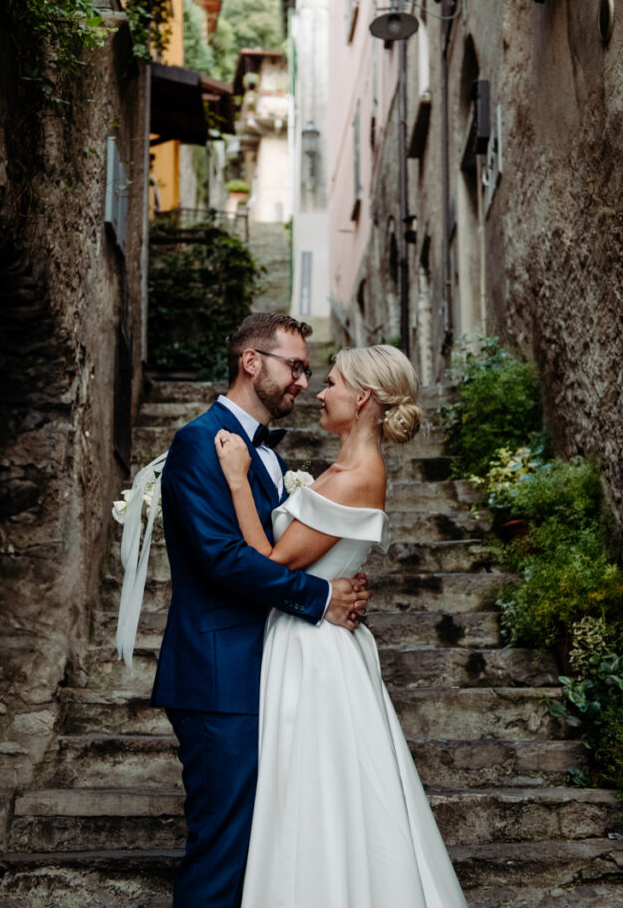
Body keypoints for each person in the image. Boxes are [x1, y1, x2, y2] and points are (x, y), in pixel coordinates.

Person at [214, 344, 469, 908]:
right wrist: (330, 587)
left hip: (315, 656)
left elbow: (267, 565)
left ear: (365, 398)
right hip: (309, 634)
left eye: (331, 383)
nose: (319, 392)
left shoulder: (357, 476)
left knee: (317, 794)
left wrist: (237, 480)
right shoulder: (343, 468)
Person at [149, 313, 371, 908]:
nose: (304, 380)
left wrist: (333, 573)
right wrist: (321, 598)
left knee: (258, 851)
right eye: (294, 366)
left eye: (306, 370)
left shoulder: (264, 453)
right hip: (219, 677)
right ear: (252, 362)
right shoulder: (200, 441)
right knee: (221, 852)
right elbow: (223, 558)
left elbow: (275, 552)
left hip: (265, 674)